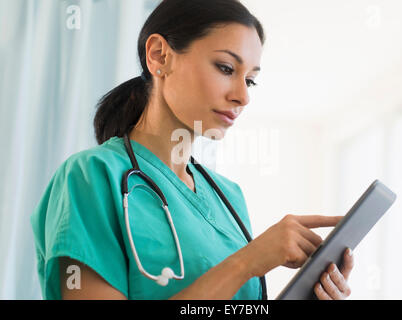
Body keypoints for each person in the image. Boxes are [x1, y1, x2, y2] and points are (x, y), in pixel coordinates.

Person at [30, 0, 354, 300]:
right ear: (159, 55)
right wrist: (246, 263)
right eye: (226, 68)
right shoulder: (91, 178)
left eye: (250, 80)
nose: (243, 96)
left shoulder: (230, 199)